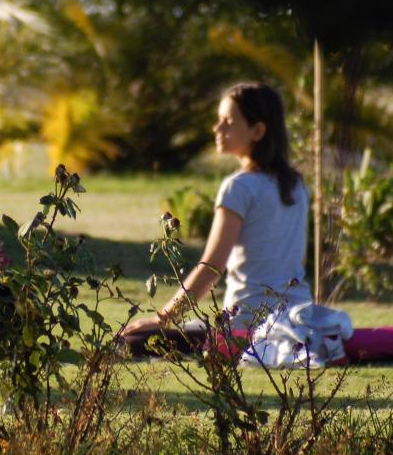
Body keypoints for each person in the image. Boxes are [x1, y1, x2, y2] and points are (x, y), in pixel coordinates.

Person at [119, 82, 330, 358]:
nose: (217, 129)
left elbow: (212, 268)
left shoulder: (239, 187)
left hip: (247, 328)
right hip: (298, 321)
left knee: (131, 339)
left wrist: (163, 319)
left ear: (258, 131)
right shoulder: (296, 185)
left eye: (228, 122)